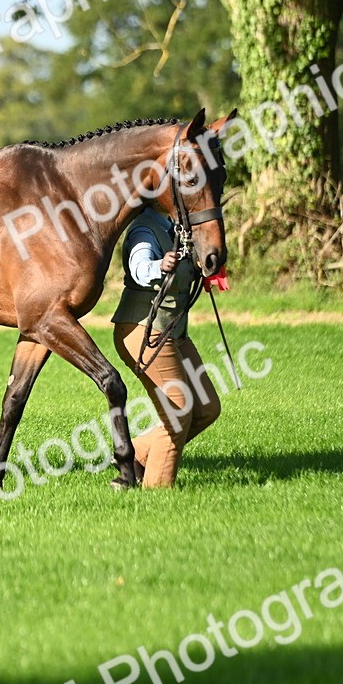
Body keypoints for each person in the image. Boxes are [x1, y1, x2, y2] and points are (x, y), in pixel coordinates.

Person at [111, 203, 221, 488]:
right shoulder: (144, 228)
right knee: (178, 411)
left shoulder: (176, 225)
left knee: (206, 407)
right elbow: (139, 267)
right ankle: (157, 490)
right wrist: (158, 266)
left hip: (173, 331)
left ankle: (137, 455)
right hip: (144, 330)